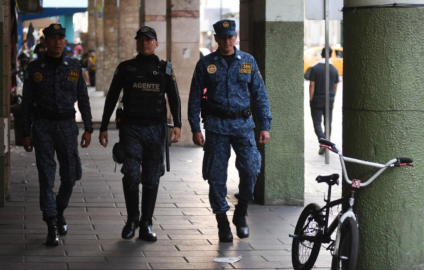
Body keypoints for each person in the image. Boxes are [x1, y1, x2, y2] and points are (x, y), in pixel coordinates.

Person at [188, 19, 272, 242]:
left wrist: (265, 125)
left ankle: (241, 211)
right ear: (216, 38)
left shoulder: (248, 61)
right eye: (223, 37)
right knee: (216, 177)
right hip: (216, 127)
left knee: (252, 168)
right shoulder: (205, 64)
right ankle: (222, 222)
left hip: (244, 126)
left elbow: (260, 95)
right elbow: (195, 97)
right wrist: (195, 128)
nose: (227, 40)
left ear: (235, 37)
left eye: (231, 36)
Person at [98, 26, 181, 241]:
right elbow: (112, 96)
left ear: (156, 43)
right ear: (136, 43)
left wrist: (178, 124)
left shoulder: (165, 69)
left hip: (156, 129)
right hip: (131, 129)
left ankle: (146, 223)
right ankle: (132, 219)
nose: (144, 43)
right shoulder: (126, 68)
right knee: (132, 173)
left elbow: (174, 98)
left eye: (149, 40)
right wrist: (103, 126)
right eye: (141, 39)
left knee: (152, 177)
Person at [21, 23, 93, 246]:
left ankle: (59, 209)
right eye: (52, 37)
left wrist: (89, 128)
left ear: (65, 41)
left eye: (60, 37)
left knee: (71, 175)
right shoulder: (34, 68)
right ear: (45, 41)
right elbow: (26, 105)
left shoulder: (74, 66)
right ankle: (51, 223)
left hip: (66, 125)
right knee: (46, 175)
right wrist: (25, 132)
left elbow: (83, 98)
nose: (57, 41)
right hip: (42, 126)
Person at [308, 47, 339, 155]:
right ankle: (326, 143)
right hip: (329, 99)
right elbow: (335, 87)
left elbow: (312, 85)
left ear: (321, 54)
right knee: (328, 122)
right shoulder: (334, 70)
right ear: (331, 55)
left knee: (317, 122)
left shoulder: (315, 68)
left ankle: (322, 142)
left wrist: (311, 99)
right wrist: (333, 97)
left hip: (317, 98)